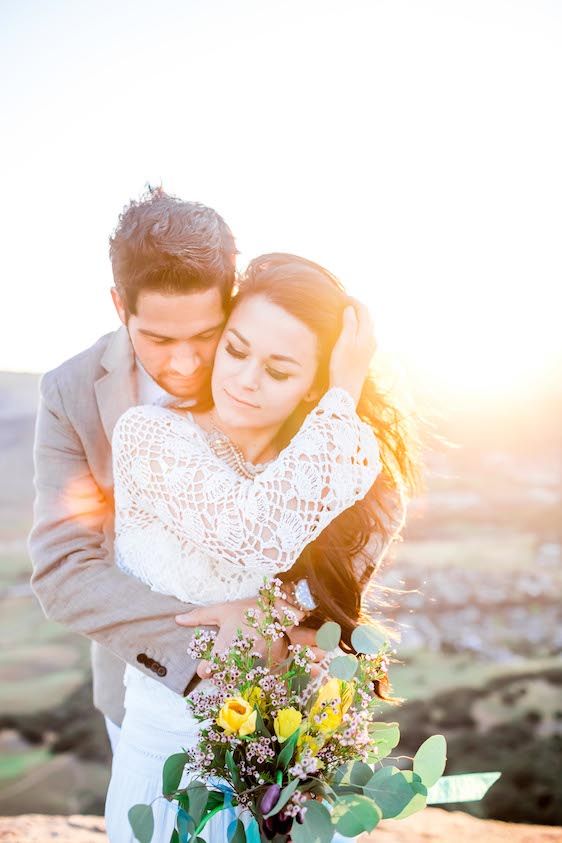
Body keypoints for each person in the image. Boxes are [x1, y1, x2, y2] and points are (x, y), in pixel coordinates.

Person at [28, 190, 408, 756]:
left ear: (231, 301)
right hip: (151, 681)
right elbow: (65, 570)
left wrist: (274, 626)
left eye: (207, 337)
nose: (184, 364)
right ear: (119, 306)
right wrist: (217, 656)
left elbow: (349, 542)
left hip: (285, 708)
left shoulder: (266, 381)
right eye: (156, 339)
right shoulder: (70, 392)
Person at [104, 252, 419, 841]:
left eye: (278, 371)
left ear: (313, 392)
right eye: (236, 349)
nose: (243, 380)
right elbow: (258, 530)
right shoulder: (151, 437)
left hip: (288, 775)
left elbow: (327, 634)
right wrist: (344, 392)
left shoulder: (350, 472)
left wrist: (273, 624)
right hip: (165, 763)